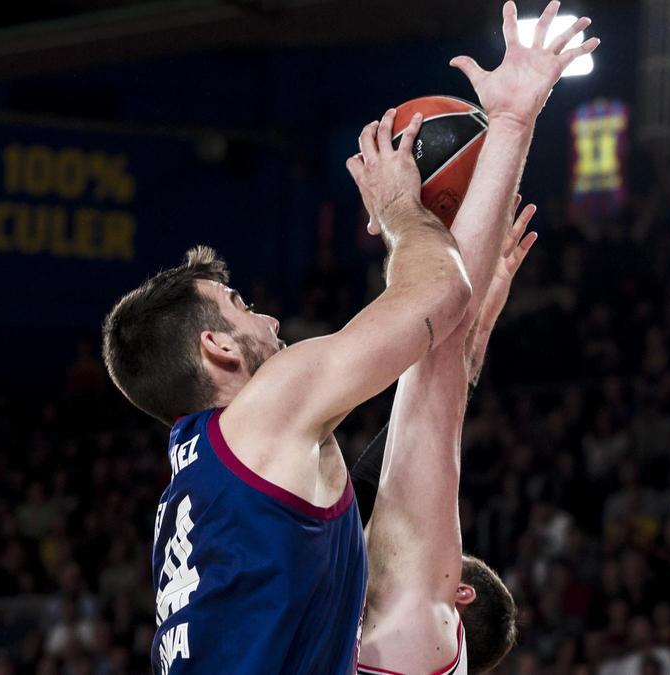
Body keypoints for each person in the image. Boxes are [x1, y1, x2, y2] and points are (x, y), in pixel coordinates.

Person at [101, 100, 473, 670]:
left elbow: (374, 483)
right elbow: (441, 291)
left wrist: (463, 348)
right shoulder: (263, 411)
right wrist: (398, 208)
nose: (270, 320)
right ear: (217, 346)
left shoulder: (197, 486)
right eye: (241, 306)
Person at [353, 2, 599, 673]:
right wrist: (513, 125)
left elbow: (424, 408)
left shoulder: (405, 636)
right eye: (442, 542)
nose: (425, 515)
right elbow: (430, 397)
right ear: (452, 597)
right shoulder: (408, 630)